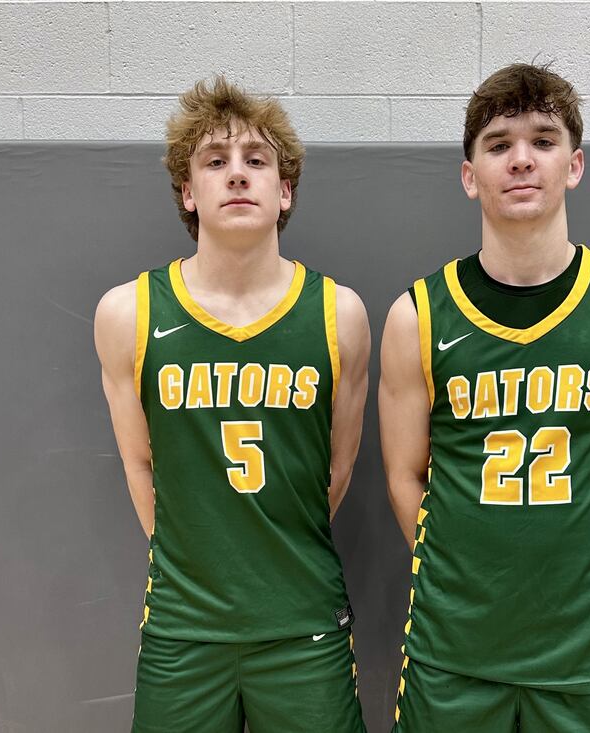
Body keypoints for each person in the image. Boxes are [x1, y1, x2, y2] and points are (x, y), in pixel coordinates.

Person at [379, 63, 590, 732]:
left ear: (574, 165)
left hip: (585, 646)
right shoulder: (418, 316)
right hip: (454, 648)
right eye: (498, 144)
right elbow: (404, 477)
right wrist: (470, 576)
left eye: (543, 140)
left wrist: (568, 563)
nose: (521, 159)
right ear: (469, 175)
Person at [94, 76, 369, 732]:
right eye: (215, 161)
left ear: (285, 190)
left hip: (302, 619)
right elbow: (141, 466)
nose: (238, 175)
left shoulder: (340, 315)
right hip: (185, 626)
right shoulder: (128, 313)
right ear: (189, 191)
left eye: (257, 161)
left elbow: (333, 472)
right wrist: (205, 565)